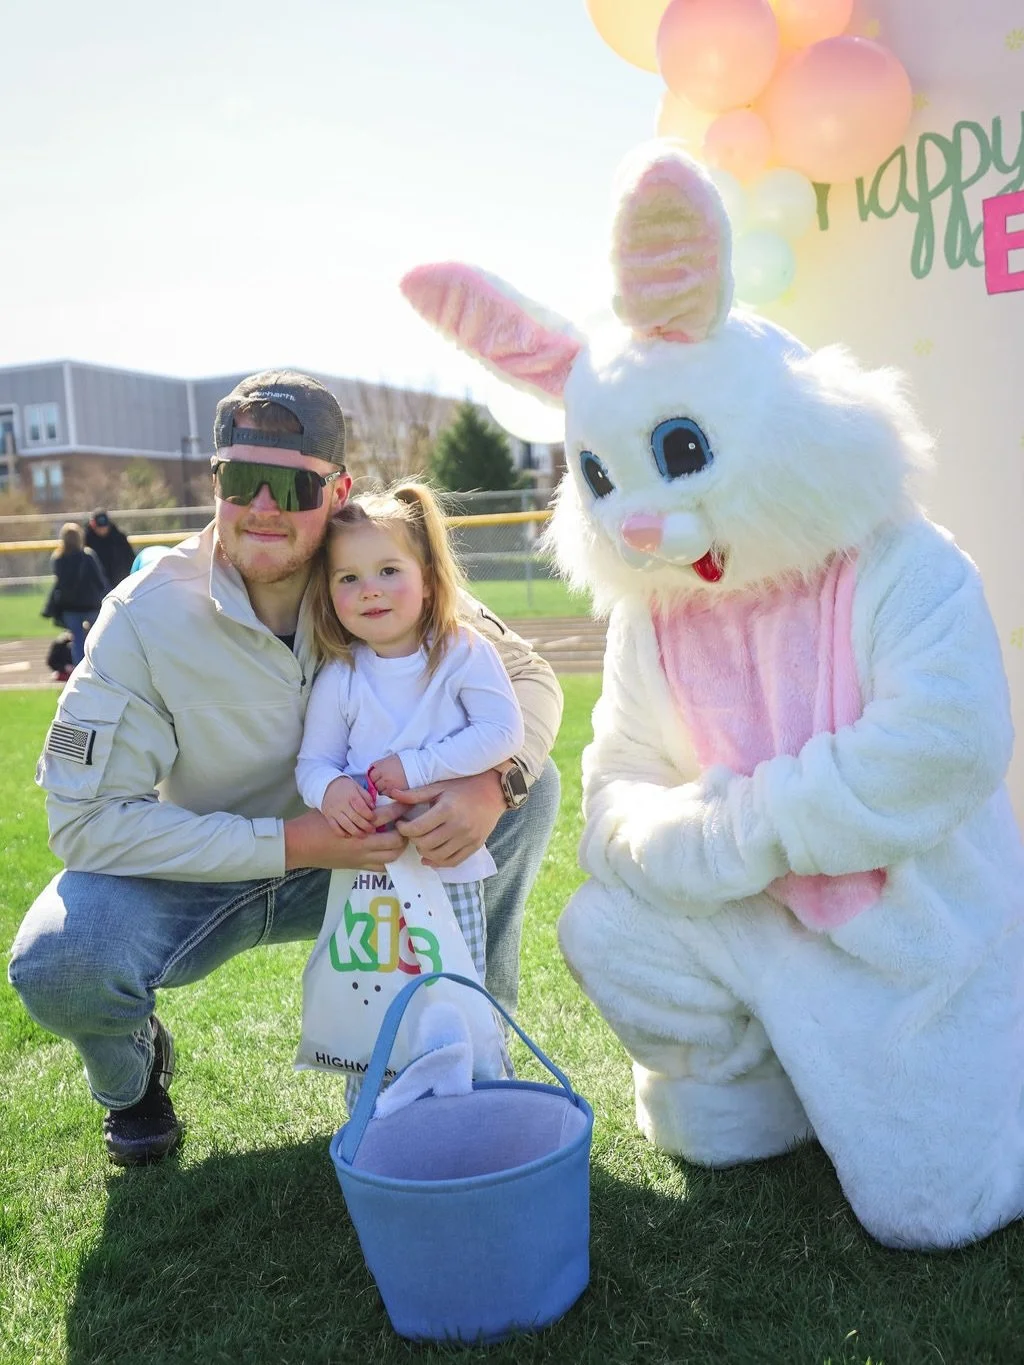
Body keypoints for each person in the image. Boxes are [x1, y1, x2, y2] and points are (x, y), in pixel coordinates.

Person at [8, 370, 562, 1166]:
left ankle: (467, 1055)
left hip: (370, 856)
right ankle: (133, 1079)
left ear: (337, 492)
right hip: (208, 862)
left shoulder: (368, 571)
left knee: (529, 785)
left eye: (292, 485)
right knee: (60, 959)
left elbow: (530, 677)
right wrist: (294, 840)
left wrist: (489, 782)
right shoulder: (147, 614)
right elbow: (84, 820)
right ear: (215, 483)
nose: (265, 506)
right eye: (243, 479)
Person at [297, 482, 526, 1003]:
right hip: (369, 876)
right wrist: (330, 791)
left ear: (427, 579)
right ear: (329, 593)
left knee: (456, 996)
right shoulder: (343, 674)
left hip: (446, 867)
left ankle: (466, 1081)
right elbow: (314, 762)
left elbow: (502, 732)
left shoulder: (462, 651)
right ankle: (373, 1088)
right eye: (348, 578)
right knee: (371, 1005)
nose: (370, 589)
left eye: (389, 571)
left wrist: (417, 768)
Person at [46, 522, 108, 666]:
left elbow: (59, 583)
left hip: (70, 607)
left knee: (77, 642)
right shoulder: (88, 556)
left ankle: (80, 672)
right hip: (91, 605)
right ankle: (100, 668)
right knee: (98, 638)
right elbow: (100, 581)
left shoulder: (58, 559)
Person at [85, 509, 135, 587]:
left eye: (105, 526)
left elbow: (130, 559)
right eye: (99, 527)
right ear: (93, 525)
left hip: (118, 584)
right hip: (95, 588)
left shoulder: (119, 538)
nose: (102, 529)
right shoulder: (86, 540)